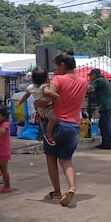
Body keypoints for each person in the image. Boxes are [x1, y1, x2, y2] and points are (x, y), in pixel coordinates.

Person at [39, 52, 88, 206]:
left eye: (56, 66)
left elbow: (48, 99)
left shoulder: (58, 79)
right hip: (74, 126)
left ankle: (57, 192)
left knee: (51, 159)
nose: (55, 69)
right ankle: (72, 187)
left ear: (62, 65)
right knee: (66, 160)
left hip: (56, 125)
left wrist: (36, 102)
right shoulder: (83, 81)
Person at [18, 67, 57, 143]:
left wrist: (20, 102)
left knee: (51, 119)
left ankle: (47, 133)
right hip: (46, 107)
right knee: (53, 119)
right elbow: (47, 92)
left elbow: (26, 96)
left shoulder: (31, 87)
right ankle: (48, 134)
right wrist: (56, 96)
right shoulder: (44, 86)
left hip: (40, 108)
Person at [88, 68, 111, 149]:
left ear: (95, 75)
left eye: (91, 75)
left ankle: (109, 143)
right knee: (103, 124)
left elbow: (89, 87)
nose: (90, 77)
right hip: (105, 105)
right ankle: (105, 142)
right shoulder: (101, 80)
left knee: (105, 124)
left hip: (105, 105)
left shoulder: (98, 80)